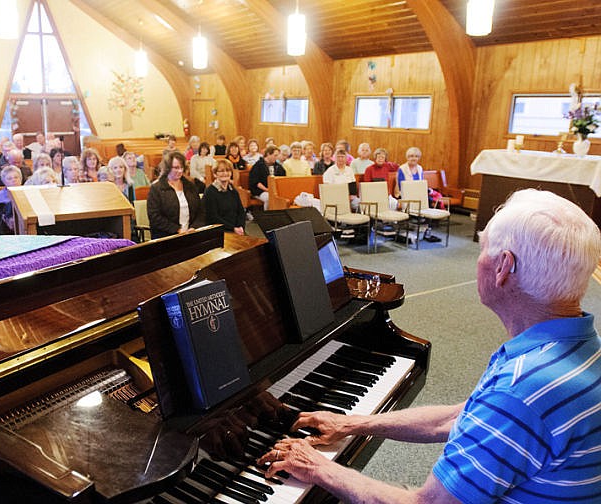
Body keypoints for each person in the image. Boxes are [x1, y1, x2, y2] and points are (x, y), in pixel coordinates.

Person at [259, 189, 601, 504]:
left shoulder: (521, 391)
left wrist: (320, 469)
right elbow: (459, 417)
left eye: (483, 250)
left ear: (503, 268)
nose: (478, 259)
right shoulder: (577, 346)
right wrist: (353, 423)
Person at [147, 151, 203, 238]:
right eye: (176, 168)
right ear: (168, 168)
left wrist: (194, 227)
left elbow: (200, 212)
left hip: (190, 234)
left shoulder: (190, 186)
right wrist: (177, 230)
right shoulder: (157, 188)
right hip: (167, 236)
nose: (180, 171)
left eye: (181, 167)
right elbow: (155, 217)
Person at [203, 159, 245, 235]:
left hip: (236, 229)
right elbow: (213, 218)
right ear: (215, 174)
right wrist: (233, 228)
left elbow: (241, 211)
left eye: (228, 170)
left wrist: (240, 226)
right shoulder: (210, 192)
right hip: (220, 231)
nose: (225, 173)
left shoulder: (233, 190)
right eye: (221, 171)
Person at [249, 145, 285, 210]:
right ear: (268, 154)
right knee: (269, 198)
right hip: (260, 191)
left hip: (275, 191)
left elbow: (282, 178)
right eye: (275, 155)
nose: (276, 158)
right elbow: (255, 182)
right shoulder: (258, 165)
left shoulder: (278, 166)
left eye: (277, 156)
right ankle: (268, 215)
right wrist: (267, 190)